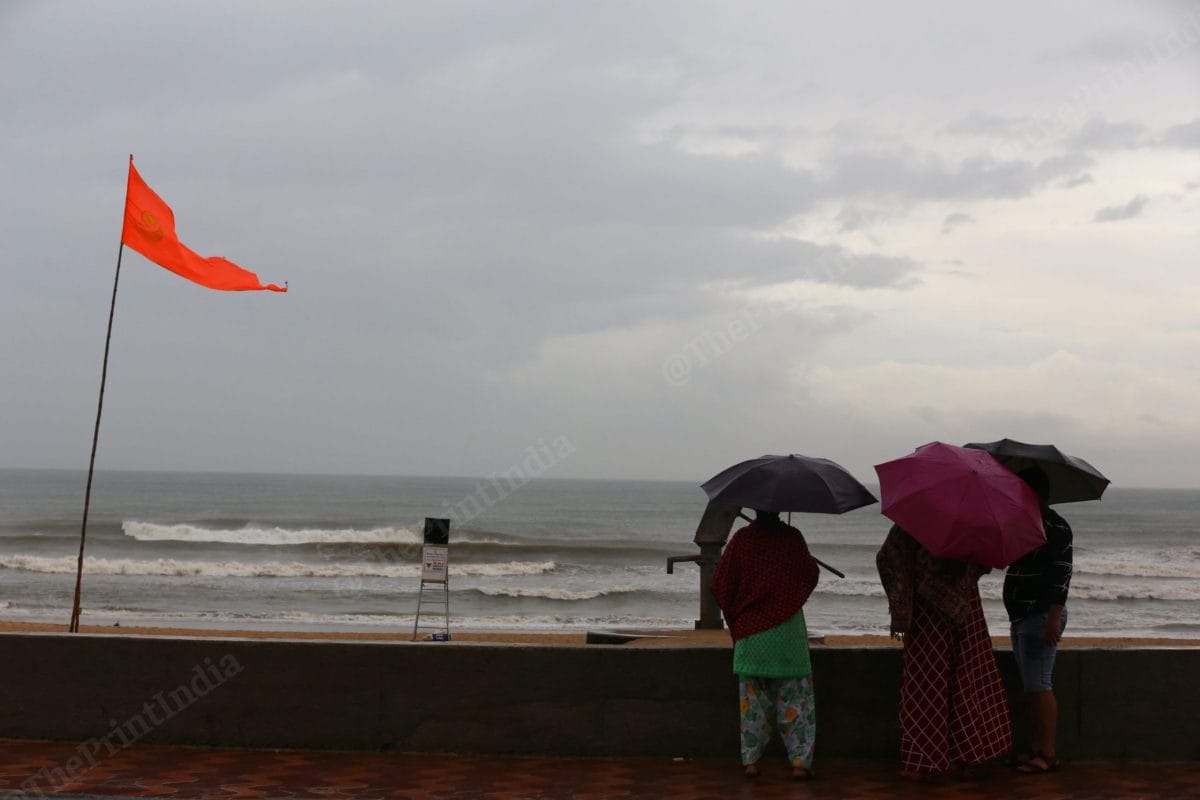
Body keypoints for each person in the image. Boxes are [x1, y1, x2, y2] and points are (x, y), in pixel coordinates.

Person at [876, 525, 1012, 781]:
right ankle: (964, 755)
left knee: (925, 686)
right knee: (966, 680)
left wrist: (903, 594)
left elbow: (886, 559)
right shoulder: (972, 523)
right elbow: (985, 562)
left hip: (926, 615)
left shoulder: (911, 523)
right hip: (966, 610)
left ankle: (923, 760)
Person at [711, 509, 820, 780]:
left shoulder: (742, 540)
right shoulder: (793, 538)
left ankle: (751, 763)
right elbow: (810, 576)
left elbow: (721, 584)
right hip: (788, 635)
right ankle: (799, 764)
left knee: (753, 705)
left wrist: (737, 616)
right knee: (797, 702)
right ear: (781, 509)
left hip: (752, 634)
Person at [1004, 466, 1072, 774]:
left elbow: (1061, 574)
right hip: (1021, 616)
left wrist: (1053, 618)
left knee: (1040, 683)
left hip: (1041, 614)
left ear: (1032, 491)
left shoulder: (1056, 526)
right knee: (1031, 685)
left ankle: (1047, 753)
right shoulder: (1022, 522)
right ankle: (1036, 748)